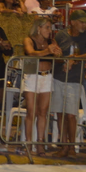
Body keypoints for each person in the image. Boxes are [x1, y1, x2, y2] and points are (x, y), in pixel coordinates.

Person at [50, 9, 86, 157]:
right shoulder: (60, 35)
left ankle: (71, 146)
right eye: (82, 22)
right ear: (72, 22)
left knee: (71, 115)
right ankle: (63, 146)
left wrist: (75, 59)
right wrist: (62, 60)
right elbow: (55, 53)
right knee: (60, 113)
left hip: (75, 80)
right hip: (58, 77)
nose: (85, 25)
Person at [22, 17, 60, 154]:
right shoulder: (29, 39)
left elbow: (57, 54)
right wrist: (48, 51)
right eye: (47, 27)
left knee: (43, 112)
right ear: (39, 28)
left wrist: (58, 54)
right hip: (32, 76)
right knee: (31, 112)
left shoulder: (51, 42)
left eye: (50, 28)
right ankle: (28, 143)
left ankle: (40, 142)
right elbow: (31, 53)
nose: (50, 31)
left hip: (47, 76)